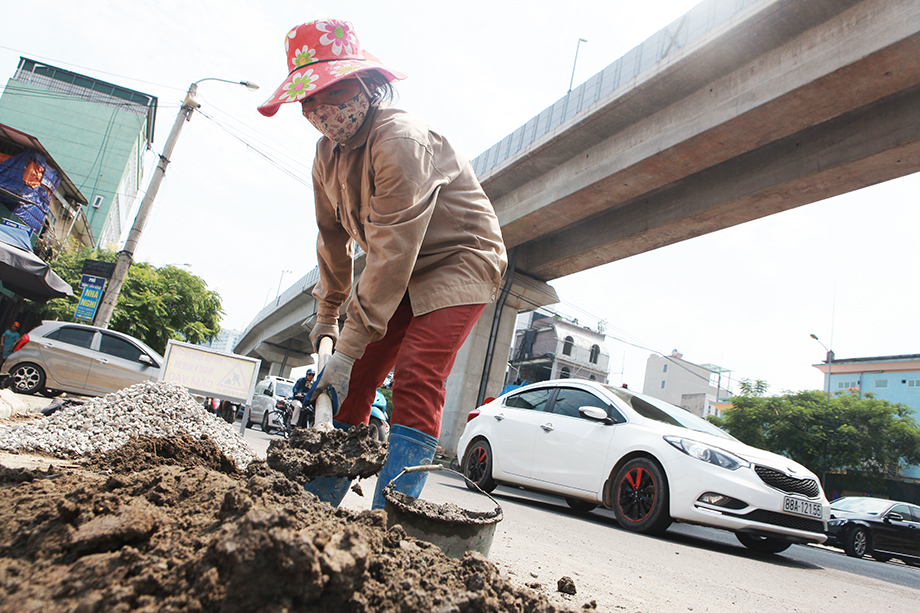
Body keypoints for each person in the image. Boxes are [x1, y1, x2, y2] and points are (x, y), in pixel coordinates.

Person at [258, 19, 507, 509]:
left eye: (335, 93)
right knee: (355, 375)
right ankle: (317, 498)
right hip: (398, 269)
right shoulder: (325, 155)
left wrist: (346, 347)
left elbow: (392, 249)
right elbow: (332, 240)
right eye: (309, 101)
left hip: (459, 261)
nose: (322, 110)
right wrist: (329, 319)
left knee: (417, 371)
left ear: (368, 86)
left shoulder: (401, 139)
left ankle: (393, 515)